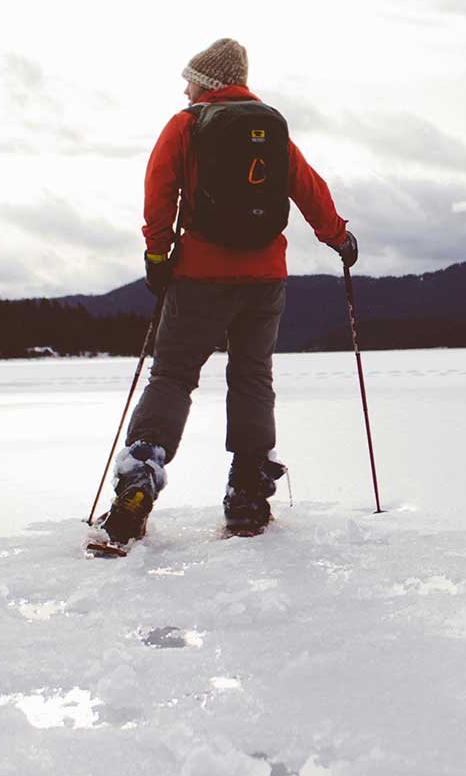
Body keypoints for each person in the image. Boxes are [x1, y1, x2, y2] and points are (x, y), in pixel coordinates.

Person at [99, 38, 358, 543]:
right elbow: (308, 187)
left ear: (208, 82)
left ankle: (141, 477)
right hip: (264, 279)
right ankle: (247, 493)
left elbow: (159, 189)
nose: (184, 87)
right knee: (252, 377)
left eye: (190, 78)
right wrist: (338, 237)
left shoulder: (187, 124)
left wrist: (157, 255)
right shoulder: (271, 130)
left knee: (173, 375)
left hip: (200, 275)